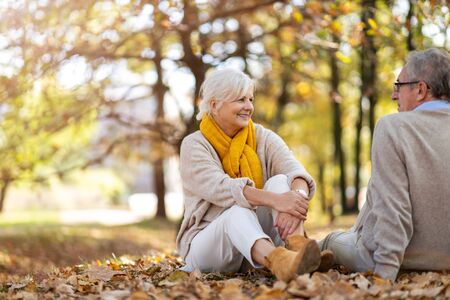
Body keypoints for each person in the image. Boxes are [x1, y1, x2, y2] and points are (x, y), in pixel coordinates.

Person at [176, 68, 328, 282]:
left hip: (256, 246)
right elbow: (222, 188)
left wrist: (296, 198)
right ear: (214, 105)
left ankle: (298, 250)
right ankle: (280, 262)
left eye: (250, 99)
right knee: (236, 211)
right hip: (209, 248)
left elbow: (296, 172)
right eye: (240, 100)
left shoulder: (263, 137)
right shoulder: (194, 144)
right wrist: (278, 200)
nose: (248, 107)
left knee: (279, 181)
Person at [320, 48, 450, 280]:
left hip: (402, 256)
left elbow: (393, 206)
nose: (393, 95)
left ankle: (285, 254)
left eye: (398, 86)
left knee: (330, 241)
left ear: (420, 89)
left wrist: (385, 274)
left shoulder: (394, 127)